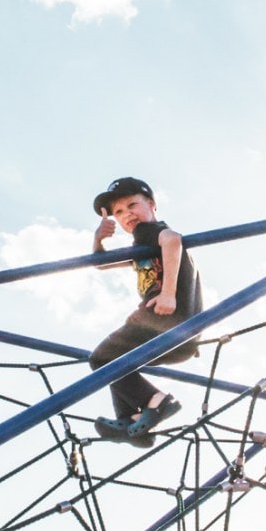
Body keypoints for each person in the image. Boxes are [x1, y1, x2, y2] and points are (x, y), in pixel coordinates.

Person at [87, 176, 204, 445]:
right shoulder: (142, 248)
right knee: (118, 363)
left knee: (101, 360)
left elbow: (173, 240)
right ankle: (131, 420)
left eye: (132, 205)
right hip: (180, 336)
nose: (127, 214)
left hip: (165, 319)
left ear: (151, 204)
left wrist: (168, 293)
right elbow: (101, 265)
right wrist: (98, 242)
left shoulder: (148, 232)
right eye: (118, 212)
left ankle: (158, 402)